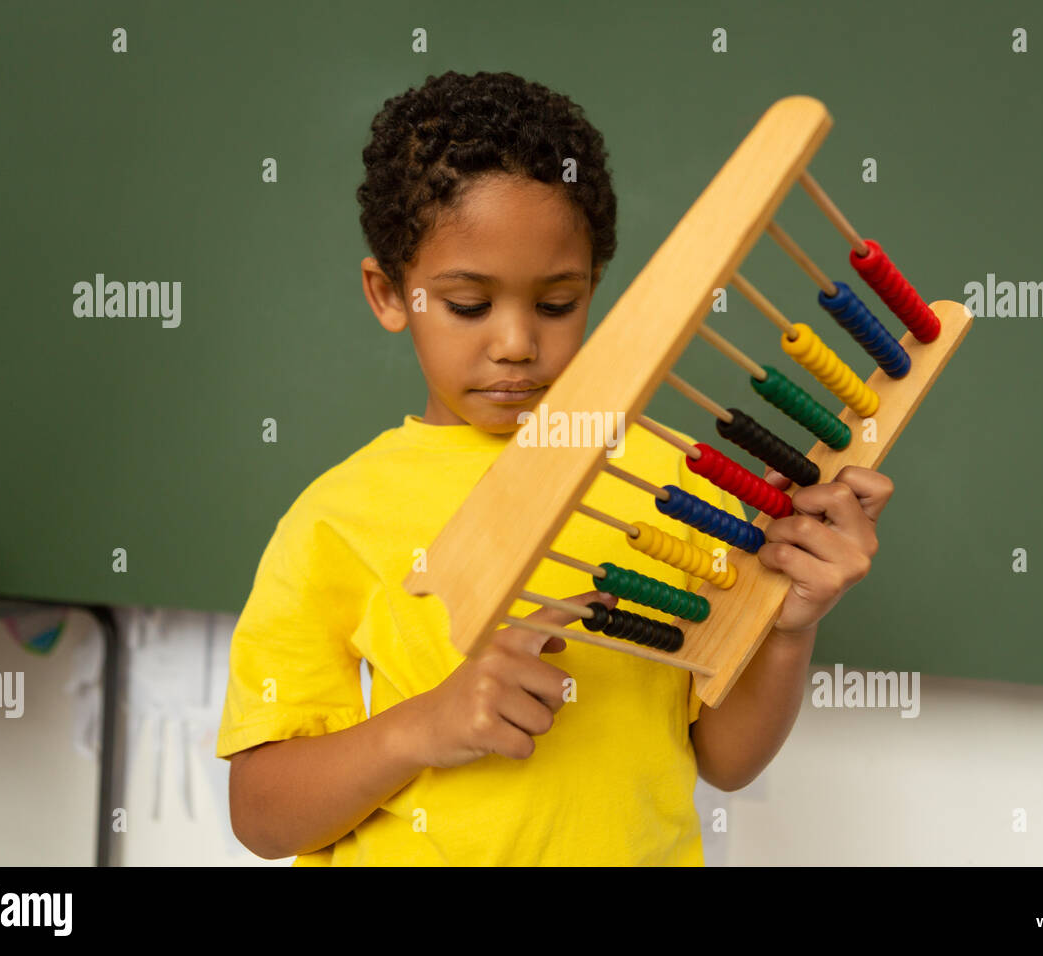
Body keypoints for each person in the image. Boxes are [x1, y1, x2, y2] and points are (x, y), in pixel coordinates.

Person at [216, 70, 893, 865]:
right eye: (468, 305)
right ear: (389, 294)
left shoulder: (683, 483)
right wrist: (424, 727)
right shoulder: (337, 516)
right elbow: (262, 816)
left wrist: (788, 627)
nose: (515, 342)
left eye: (556, 302)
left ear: (595, 289)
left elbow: (724, 760)